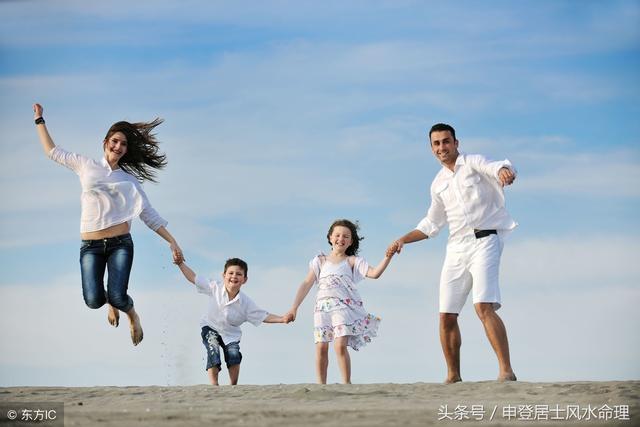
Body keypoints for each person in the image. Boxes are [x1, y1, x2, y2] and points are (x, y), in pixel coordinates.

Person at [33, 103, 183, 346]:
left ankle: (132, 314)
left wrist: (172, 241)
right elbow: (52, 151)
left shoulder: (129, 180)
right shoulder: (86, 165)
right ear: (105, 142)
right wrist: (40, 120)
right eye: (115, 141)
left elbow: (149, 215)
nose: (118, 147)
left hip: (120, 244)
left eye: (123, 144)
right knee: (93, 300)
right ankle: (110, 304)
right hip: (90, 245)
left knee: (118, 295)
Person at [387, 123, 517, 383]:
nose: (441, 147)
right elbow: (431, 224)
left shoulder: (473, 162)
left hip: (485, 240)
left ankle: (506, 371)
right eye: (436, 143)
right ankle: (453, 376)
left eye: (446, 141)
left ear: (456, 143)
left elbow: (497, 166)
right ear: (431, 148)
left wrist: (504, 171)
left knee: (483, 306)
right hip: (456, 248)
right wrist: (403, 239)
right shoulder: (437, 184)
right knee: (446, 315)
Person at [286, 219, 393, 384]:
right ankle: (321, 385)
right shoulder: (320, 261)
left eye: (345, 236)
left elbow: (374, 273)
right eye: (337, 235)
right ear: (330, 237)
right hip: (321, 309)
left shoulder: (352, 261)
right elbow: (307, 283)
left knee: (339, 345)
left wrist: (387, 257)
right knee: (321, 347)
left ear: (350, 241)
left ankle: (346, 383)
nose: (340, 239)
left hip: (343, 308)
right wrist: (294, 307)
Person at [177, 257, 290, 385]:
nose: (234, 276)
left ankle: (233, 386)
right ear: (224, 275)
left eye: (239, 274)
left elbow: (263, 316)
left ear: (244, 279)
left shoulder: (246, 303)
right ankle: (214, 386)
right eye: (230, 273)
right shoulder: (214, 287)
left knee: (233, 355)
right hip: (210, 327)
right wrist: (180, 264)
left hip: (231, 334)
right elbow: (193, 277)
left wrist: (282, 319)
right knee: (213, 349)